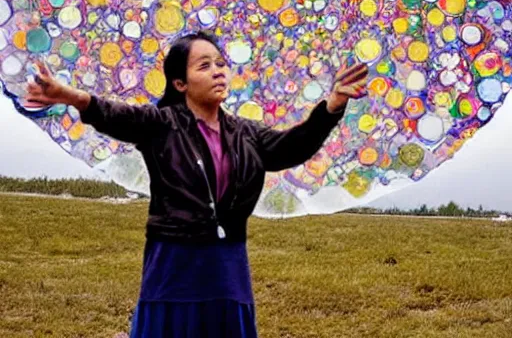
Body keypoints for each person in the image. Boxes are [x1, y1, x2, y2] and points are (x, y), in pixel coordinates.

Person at [24, 31, 369, 338]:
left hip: (228, 266)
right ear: (180, 83)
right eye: (204, 66)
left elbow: (293, 146)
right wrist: (70, 96)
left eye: (220, 63)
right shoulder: (161, 125)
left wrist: (332, 107)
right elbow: (115, 115)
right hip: (174, 263)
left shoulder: (247, 134)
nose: (218, 71)